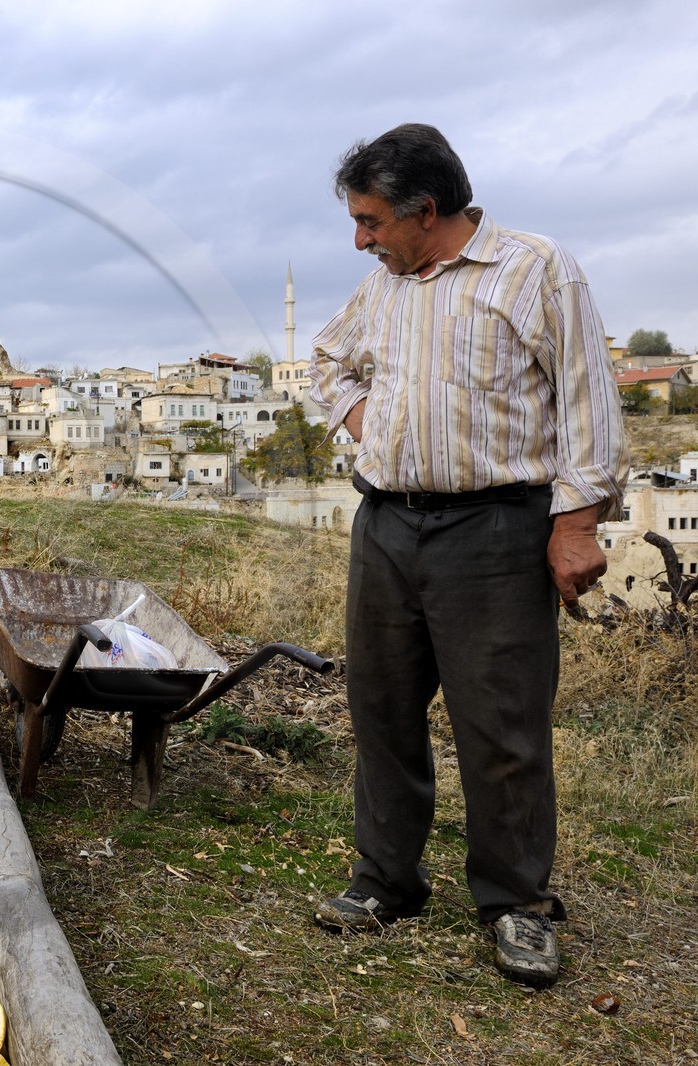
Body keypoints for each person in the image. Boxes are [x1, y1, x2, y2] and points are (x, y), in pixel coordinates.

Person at [309, 123, 627, 988]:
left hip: (494, 531)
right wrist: (368, 424)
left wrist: (576, 525)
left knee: (502, 726)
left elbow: (590, 404)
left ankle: (516, 904)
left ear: (428, 210)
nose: (360, 239)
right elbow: (329, 359)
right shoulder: (384, 288)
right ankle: (386, 880)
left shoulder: (534, 270)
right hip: (386, 528)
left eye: (372, 221)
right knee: (382, 708)